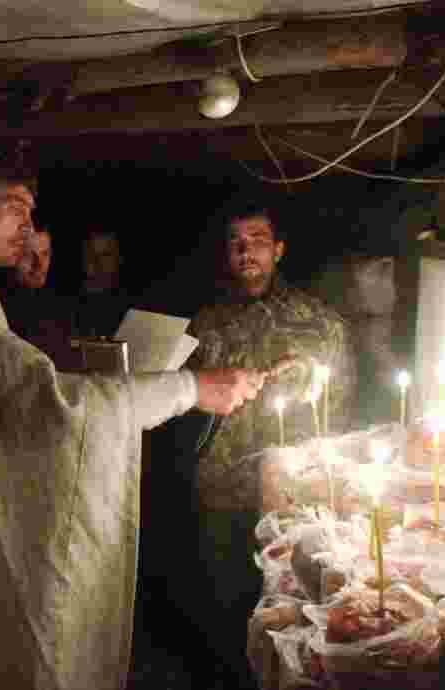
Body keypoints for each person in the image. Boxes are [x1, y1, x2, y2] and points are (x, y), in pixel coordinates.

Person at [0, 161, 269, 690]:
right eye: (13, 208)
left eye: (32, 213)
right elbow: (44, 402)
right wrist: (192, 388)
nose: (28, 227)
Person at [148, 199, 355, 688]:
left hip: (292, 494)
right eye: (236, 243)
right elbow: (178, 401)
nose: (247, 252)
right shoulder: (204, 324)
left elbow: (341, 403)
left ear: (278, 250)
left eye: (258, 240)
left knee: (296, 603)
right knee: (226, 601)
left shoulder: (319, 321)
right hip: (225, 487)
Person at [0, 226, 82, 371]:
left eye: (45, 254)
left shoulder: (62, 305)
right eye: (28, 255)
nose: (39, 265)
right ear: (10, 256)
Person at [74, 228, 132, 338]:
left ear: (120, 258)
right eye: (90, 254)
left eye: (105, 255)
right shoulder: (64, 306)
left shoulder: (131, 310)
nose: (96, 263)